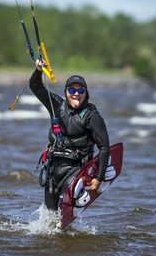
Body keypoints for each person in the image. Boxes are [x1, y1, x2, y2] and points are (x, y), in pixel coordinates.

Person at [29, 60, 110, 211]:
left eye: (80, 91)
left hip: (76, 169)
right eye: (72, 91)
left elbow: (104, 147)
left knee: (64, 203)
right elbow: (35, 87)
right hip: (54, 170)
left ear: (86, 93)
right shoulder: (57, 105)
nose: (76, 94)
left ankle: (78, 195)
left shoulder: (92, 116)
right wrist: (39, 70)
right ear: (66, 92)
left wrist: (99, 178)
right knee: (50, 216)